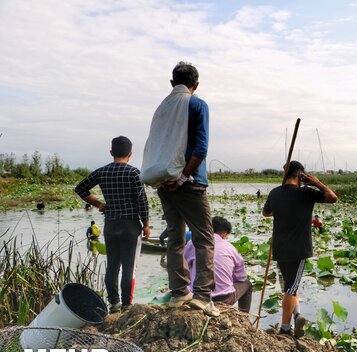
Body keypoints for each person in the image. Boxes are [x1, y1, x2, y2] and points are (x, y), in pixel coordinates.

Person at [148, 61, 219, 317]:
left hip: (163, 183)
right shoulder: (197, 104)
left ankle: (179, 293)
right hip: (190, 182)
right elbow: (200, 149)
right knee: (204, 238)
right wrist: (183, 177)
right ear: (195, 85)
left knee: (176, 239)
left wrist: (169, 179)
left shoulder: (162, 107)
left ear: (172, 83)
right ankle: (202, 296)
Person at [263, 161, 338, 338]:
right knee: (291, 288)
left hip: (280, 248)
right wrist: (316, 183)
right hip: (298, 249)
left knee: (290, 285)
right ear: (301, 175)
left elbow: (266, 213)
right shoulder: (306, 192)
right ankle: (284, 328)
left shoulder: (275, 192)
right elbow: (333, 198)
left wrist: (283, 208)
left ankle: (297, 316)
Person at [75, 136, 150, 312]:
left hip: (111, 225)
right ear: (130, 154)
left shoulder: (102, 172)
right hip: (130, 225)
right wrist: (146, 224)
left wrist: (99, 204)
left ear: (111, 153)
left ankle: (114, 303)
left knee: (113, 266)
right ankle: (126, 305)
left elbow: (80, 188)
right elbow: (142, 202)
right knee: (128, 266)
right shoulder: (134, 173)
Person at [184, 217, 252, 313]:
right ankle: (244, 317)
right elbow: (240, 278)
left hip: (195, 296)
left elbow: (183, 266)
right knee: (247, 284)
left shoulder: (193, 243)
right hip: (224, 299)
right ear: (224, 234)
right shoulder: (230, 248)